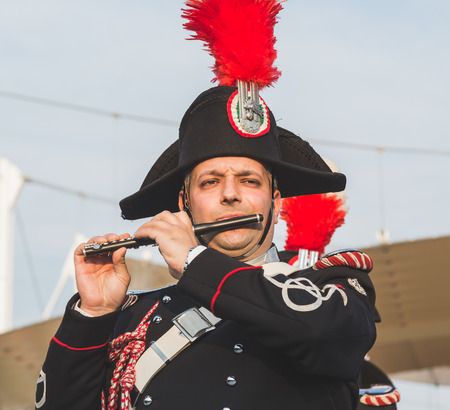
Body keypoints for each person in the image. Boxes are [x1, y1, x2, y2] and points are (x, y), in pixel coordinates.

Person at [36, 85, 377, 409]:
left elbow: (325, 335)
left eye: (249, 180)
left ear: (275, 203)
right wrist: (92, 316)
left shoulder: (330, 286)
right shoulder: (134, 316)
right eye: (210, 182)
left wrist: (194, 260)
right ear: (185, 205)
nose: (230, 194)